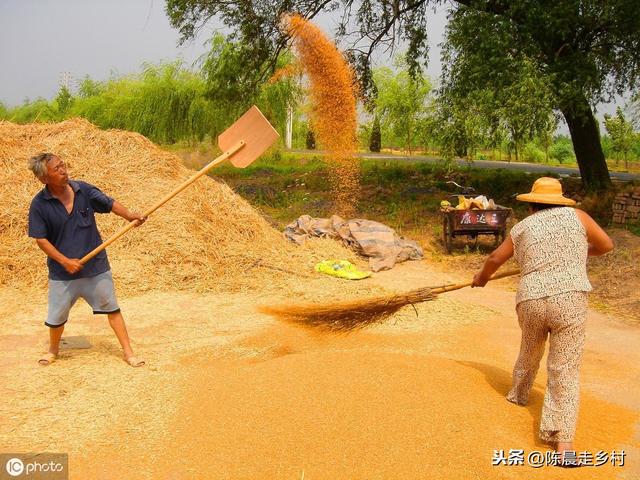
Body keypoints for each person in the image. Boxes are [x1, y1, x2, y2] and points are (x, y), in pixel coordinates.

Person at [471, 177, 613, 466]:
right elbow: (605, 245)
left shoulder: (523, 227)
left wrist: (482, 278)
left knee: (531, 347)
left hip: (532, 299)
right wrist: (577, 254)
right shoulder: (578, 216)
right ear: (560, 200)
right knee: (565, 369)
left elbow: (496, 257)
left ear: (532, 203)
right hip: (570, 299)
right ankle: (564, 444)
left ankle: (519, 394)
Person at [28, 152, 147, 367]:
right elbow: (41, 239)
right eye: (57, 169)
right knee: (56, 318)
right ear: (44, 179)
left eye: (63, 165)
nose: (63, 171)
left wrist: (130, 215)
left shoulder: (83, 189)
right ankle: (53, 350)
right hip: (62, 273)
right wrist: (65, 261)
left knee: (113, 309)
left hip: (95, 267)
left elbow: (109, 204)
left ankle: (129, 352)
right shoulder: (39, 204)